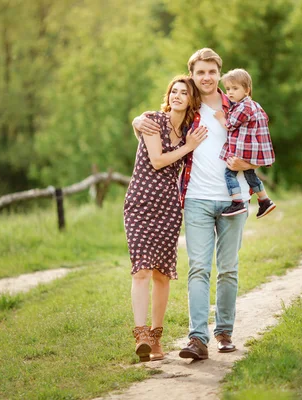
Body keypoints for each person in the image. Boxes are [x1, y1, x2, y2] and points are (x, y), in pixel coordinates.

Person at [133, 48, 258, 360]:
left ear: (219, 73)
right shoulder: (189, 107)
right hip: (196, 199)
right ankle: (198, 339)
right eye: (200, 72)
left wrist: (246, 162)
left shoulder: (239, 106)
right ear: (192, 75)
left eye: (212, 72)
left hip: (234, 198)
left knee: (228, 269)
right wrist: (138, 120)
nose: (207, 77)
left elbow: (261, 142)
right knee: (199, 268)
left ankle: (225, 332)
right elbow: (159, 120)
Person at [124, 76, 207, 362]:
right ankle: (141, 334)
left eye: (184, 92)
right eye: (174, 91)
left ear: (191, 100)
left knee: (161, 274)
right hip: (140, 203)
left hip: (169, 207)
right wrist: (187, 148)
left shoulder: (190, 131)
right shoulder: (152, 120)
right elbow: (158, 159)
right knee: (141, 270)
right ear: (168, 95)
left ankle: (157, 338)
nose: (177, 95)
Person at [214, 68, 276, 218]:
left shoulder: (243, 107)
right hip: (252, 149)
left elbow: (230, 125)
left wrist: (221, 117)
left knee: (229, 173)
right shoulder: (255, 105)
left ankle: (237, 202)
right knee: (250, 174)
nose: (230, 92)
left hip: (242, 150)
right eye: (228, 89)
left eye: (235, 88)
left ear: (247, 90)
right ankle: (265, 199)